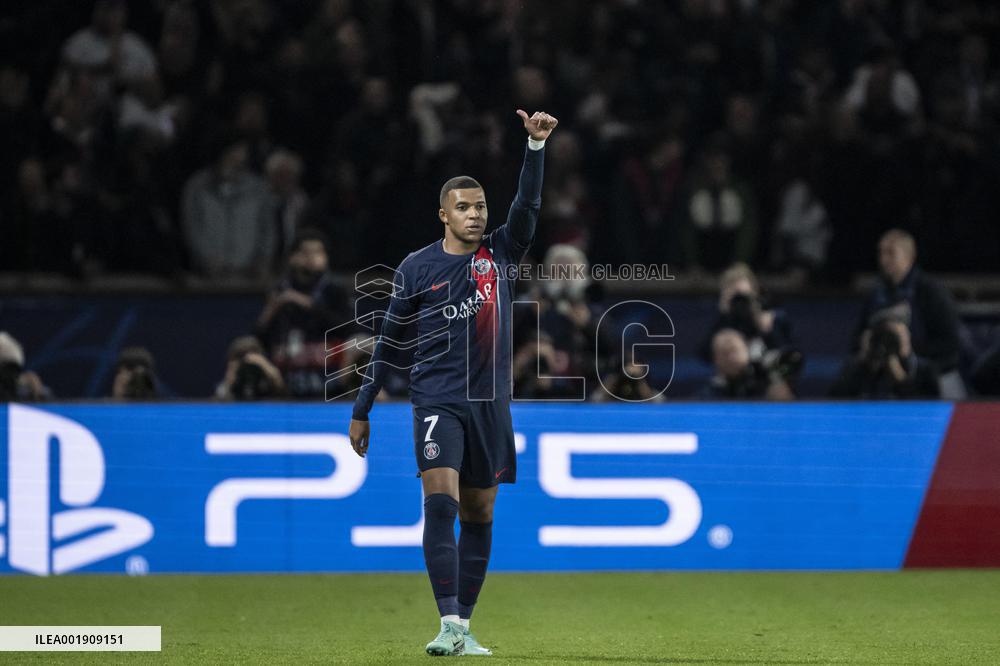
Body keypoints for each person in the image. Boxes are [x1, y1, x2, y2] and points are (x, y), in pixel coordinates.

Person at [348, 109, 558, 657]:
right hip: (437, 400)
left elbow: (529, 205)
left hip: (492, 403)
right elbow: (390, 338)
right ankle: (448, 624)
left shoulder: (502, 254)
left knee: (480, 514)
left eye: (480, 206)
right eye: (463, 207)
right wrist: (363, 406)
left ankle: (464, 625)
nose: (474, 215)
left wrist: (535, 148)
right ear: (442, 214)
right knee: (439, 505)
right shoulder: (416, 268)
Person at [853, 229, 962, 397]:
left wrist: (909, 351)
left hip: (933, 371)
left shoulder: (931, 292)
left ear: (909, 256)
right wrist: (866, 345)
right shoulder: (875, 294)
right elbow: (856, 340)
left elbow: (950, 344)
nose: (884, 260)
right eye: (881, 252)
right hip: (884, 373)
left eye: (891, 253)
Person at [256, 228, 350, 398]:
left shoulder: (335, 291)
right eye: (305, 252)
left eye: (317, 252)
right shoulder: (279, 292)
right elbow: (258, 338)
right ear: (292, 257)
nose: (311, 258)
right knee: (245, 349)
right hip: (286, 376)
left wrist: (307, 303)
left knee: (365, 345)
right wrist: (272, 308)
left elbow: (348, 330)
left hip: (331, 376)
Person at [831, 314, 940, 399]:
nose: (888, 342)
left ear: (907, 337)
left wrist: (900, 377)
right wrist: (866, 362)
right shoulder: (856, 368)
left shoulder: (924, 370)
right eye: (884, 335)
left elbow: (931, 409)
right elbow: (834, 402)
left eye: (895, 336)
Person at [697, 329, 795, 400]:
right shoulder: (708, 394)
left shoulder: (766, 383)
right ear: (715, 359)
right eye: (724, 353)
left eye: (734, 351)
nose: (730, 358)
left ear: (746, 351)